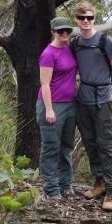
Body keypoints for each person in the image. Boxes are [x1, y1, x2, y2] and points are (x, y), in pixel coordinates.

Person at [70, 1, 112, 211]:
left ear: (94, 19)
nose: (86, 21)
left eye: (90, 18)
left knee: (106, 144)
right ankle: (99, 183)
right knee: (90, 143)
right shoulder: (75, 43)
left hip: (103, 99)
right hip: (83, 99)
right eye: (82, 18)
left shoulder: (104, 41)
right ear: (76, 19)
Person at [37, 16, 78, 200]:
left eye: (67, 31)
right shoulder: (48, 54)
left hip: (70, 105)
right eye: (60, 31)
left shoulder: (69, 49)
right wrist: (49, 109)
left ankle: (65, 184)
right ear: (53, 31)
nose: (65, 34)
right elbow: (44, 84)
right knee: (51, 147)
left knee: (66, 147)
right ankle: (51, 189)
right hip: (52, 106)